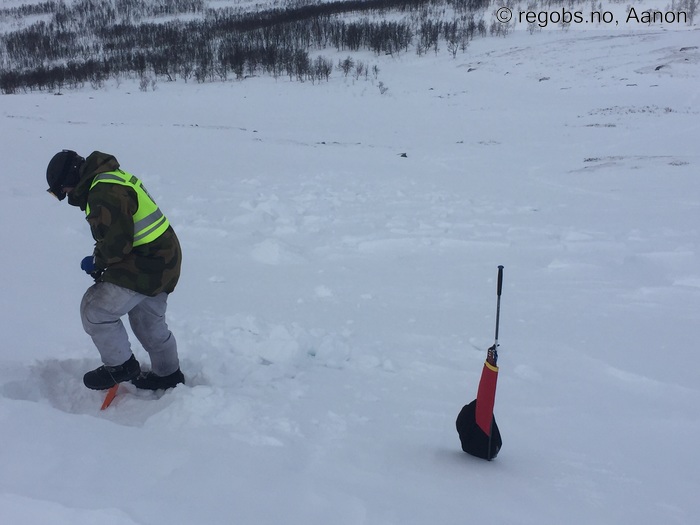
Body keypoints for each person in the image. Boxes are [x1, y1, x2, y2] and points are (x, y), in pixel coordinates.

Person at [46, 150, 185, 391]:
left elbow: (117, 245)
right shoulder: (108, 178)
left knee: (95, 309)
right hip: (164, 259)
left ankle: (121, 366)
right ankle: (168, 374)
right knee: (147, 322)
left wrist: (97, 262)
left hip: (147, 263)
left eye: (63, 190)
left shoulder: (103, 192)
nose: (66, 196)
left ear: (70, 179)